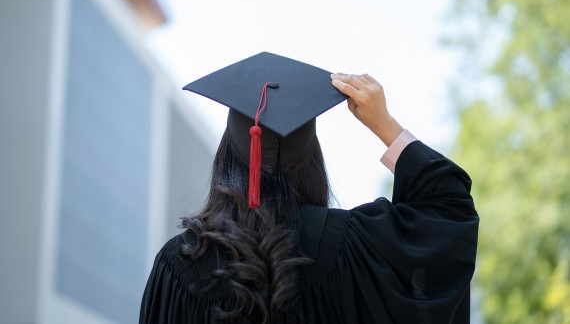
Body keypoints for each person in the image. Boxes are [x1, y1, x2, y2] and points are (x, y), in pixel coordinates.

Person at [139, 52, 479, 324]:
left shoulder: (179, 263)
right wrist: (384, 124)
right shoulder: (357, 246)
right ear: (311, 160)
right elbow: (448, 206)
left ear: (227, 158)